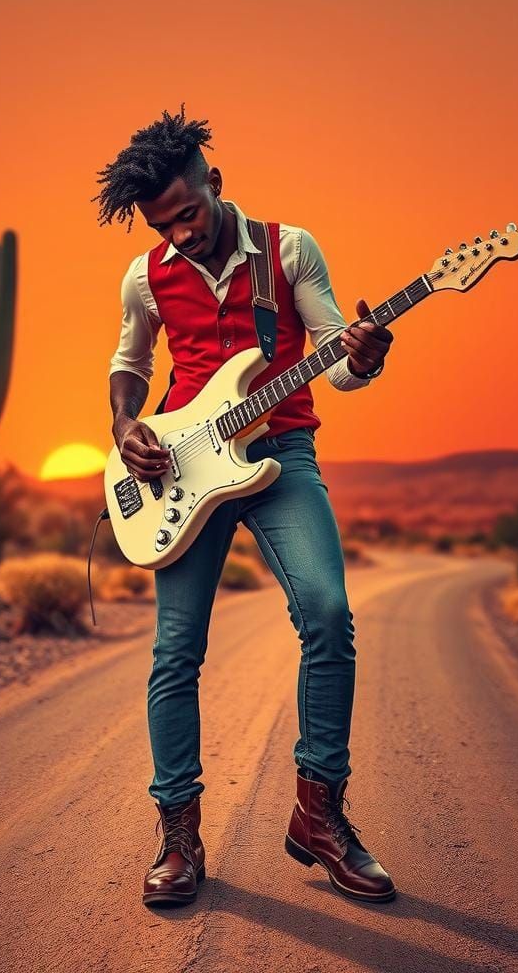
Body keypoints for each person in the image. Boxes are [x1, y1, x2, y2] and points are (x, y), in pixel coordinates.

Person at [96, 108, 396, 909]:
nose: (181, 234)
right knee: (175, 652)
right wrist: (127, 427)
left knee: (329, 615)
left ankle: (319, 815)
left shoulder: (289, 249)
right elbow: (129, 362)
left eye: (188, 214)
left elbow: (336, 356)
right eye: (164, 225)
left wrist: (361, 356)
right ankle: (179, 836)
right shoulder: (145, 275)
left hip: (280, 451)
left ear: (215, 185)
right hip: (182, 470)